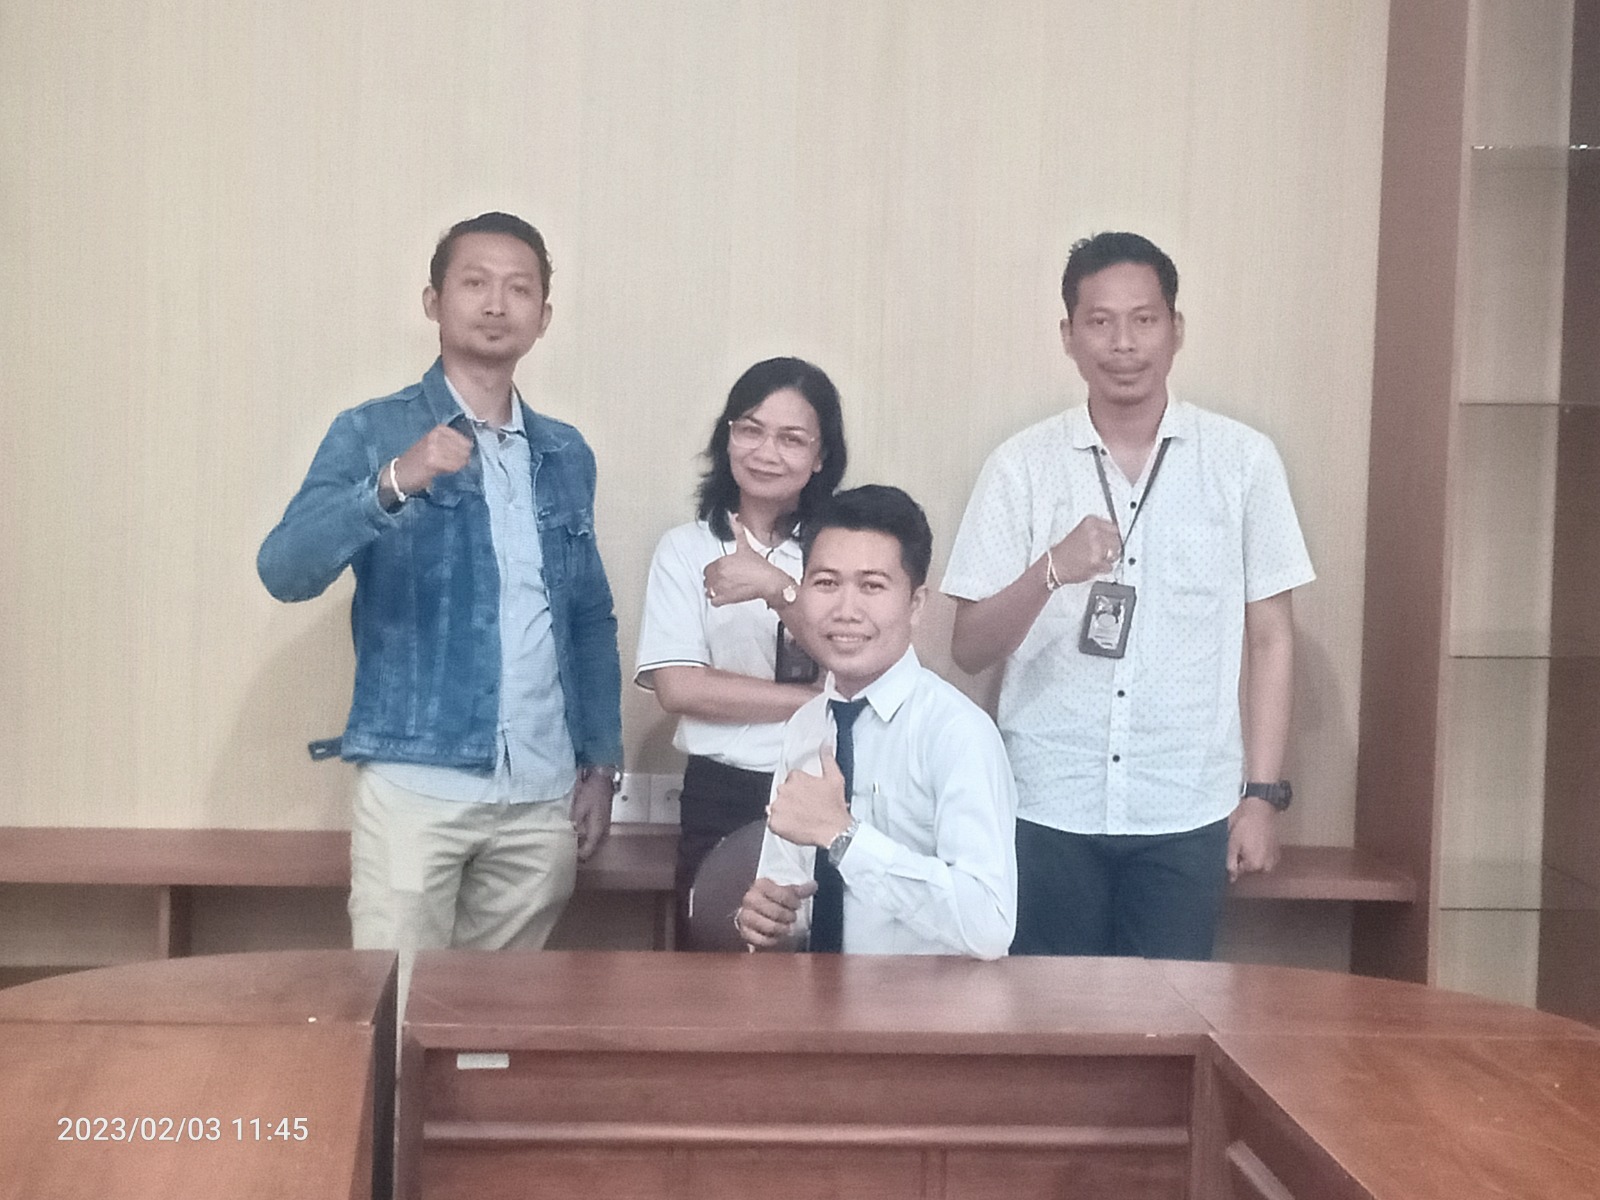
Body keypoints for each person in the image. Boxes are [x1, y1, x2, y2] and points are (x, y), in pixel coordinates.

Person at [257, 212, 622, 981]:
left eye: (519, 288)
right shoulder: (371, 431)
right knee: (396, 1010)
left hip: (541, 792)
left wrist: (600, 763)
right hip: (415, 783)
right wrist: (395, 481)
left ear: (543, 316)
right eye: (475, 283)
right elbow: (284, 570)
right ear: (434, 301)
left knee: (497, 1023)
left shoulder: (565, 452)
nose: (496, 303)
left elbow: (587, 616)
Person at [941, 231, 1314, 960]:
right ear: (1068, 336)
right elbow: (969, 648)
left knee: (1169, 1017)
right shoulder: (1020, 466)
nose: (1123, 344)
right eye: (1100, 322)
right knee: (1049, 1019)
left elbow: (1272, 638)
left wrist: (1261, 797)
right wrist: (1051, 569)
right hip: (1046, 804)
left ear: (1176, 329)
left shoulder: (1243, 462)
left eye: (1144, 320)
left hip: (1186, 807)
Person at [734, 486, 1017, 958]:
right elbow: (790, 891)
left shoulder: (957, 733)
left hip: (928, 1001)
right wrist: (770, 915)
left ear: (915, 604)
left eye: (872, 586)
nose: (846, 611)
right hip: (816, 993)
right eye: (826, 583)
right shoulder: (806, 725)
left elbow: (989, 925)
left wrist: (844, 838)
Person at [635, 358, 847, 931]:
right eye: (750, 429)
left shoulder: (841, 552)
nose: (766, 452)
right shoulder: (685, 549)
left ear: (821, 456)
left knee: (825, 961)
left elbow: (852, 665)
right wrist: (814, 699)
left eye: (792, 438)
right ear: (726, 436)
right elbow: (681, 689)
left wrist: (777, 588)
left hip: (825, 786)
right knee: (717, 960)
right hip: (721, 791)